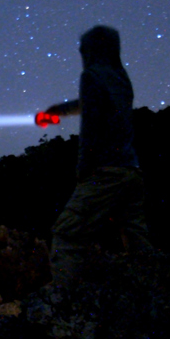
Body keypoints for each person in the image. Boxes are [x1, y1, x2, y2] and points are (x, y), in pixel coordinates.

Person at [44, 25, 152, 286]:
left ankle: (64, 307)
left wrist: (83, 169)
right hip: (131, 172)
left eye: (84, 49)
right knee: (136, 238)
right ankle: (158, 293)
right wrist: (59, 111)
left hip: (106, 172)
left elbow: (91, 125)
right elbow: (94, 104)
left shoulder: (91, 76)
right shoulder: (120, 78)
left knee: (66, 234)